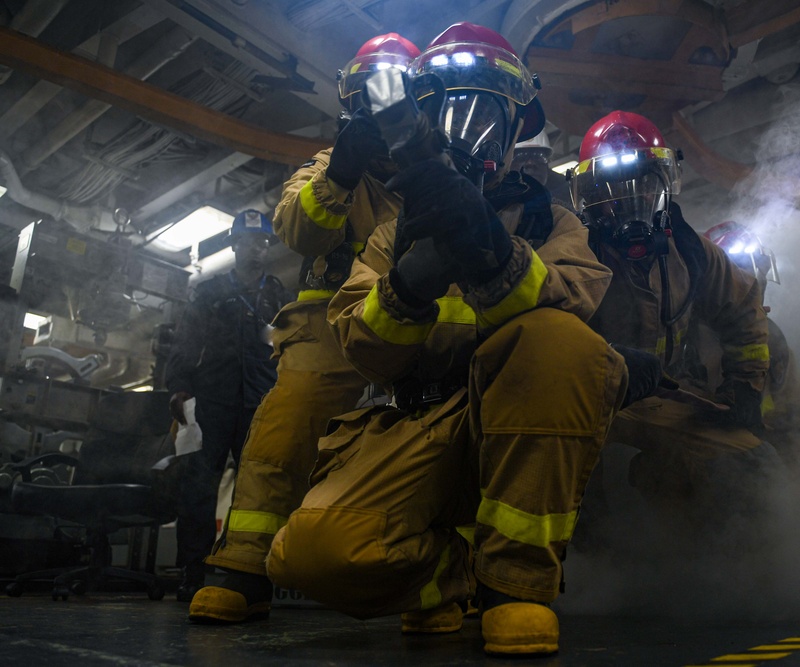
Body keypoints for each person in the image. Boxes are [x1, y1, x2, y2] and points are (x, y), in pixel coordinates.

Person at [265, 23, 635, 656]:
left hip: (513, 419)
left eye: (489, 116)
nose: (471, 133)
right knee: (314, 558)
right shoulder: (393, 229)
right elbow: (364, 347)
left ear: (517, 129)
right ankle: (448, 574)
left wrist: (493, 253)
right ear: (424, 119)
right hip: (416, 421)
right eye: (450, 113)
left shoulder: (551, 219)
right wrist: (409, 284)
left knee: (562, 343)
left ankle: (514, 585)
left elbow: (572, 299)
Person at [187, 33, 418, 623]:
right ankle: (242, 565)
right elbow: (297, 229)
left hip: (417, 332)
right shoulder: (328, 169)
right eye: (369, 96)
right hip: (328, 337)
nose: (381, 107)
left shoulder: (433, 176)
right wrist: (341, 172)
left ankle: (447, 573)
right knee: (287, 422)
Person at [566, 111, 780, 539]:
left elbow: (744, 311)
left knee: (753, 459)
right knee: (569, 476)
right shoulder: (571, 254)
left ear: (663, 185)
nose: (630, 203)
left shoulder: (690, 251)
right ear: (590, 199)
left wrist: (745, 387)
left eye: (643, 184)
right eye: (611, 192)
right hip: (586, 400)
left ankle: (704, 554)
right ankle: (593, 559)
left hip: (663, 394)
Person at [165, 209, 292, 602]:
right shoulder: (211, 291)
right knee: (199, 487)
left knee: (256, 491)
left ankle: (247, 567)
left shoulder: (278, 296)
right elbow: (187, 340)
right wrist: (180, 386)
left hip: (260, 403)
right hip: (212, 401)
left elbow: (288, 349)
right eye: (250, 240)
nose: (258, 247)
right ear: (235, 244)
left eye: (263, 242)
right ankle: (193, 569)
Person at [697, 221, 800, 461]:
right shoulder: (692, 341)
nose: (750, 283)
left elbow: (795, 405)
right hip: (706, 452)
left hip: (758, 450)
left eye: (754, 270)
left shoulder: (773, 339)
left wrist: (793, 430)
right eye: (741, 276)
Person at [510, 131, 571, 205]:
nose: (530, 163)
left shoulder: (567, 193)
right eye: (521, 156)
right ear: (508, 163)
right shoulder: (496, 202)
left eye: (539, 156)